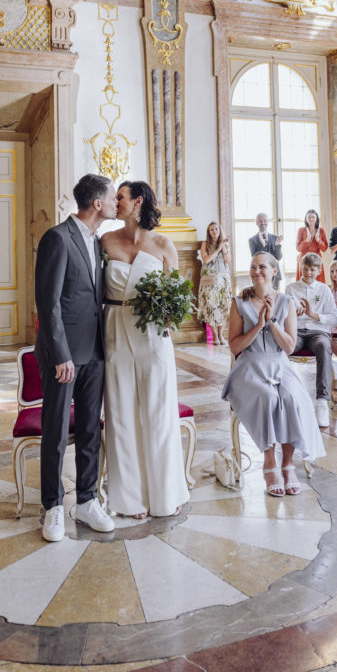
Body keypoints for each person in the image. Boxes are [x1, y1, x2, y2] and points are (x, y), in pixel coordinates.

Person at [35, 174, 118, 542]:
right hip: (64, 356)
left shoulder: (98, 242)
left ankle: (86, 501)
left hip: (96, 351)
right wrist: (61, 355)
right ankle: (52, 506)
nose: (117, 203)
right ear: (97, 203)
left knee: (89, 429)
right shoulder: (57, 237)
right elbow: (48, 304)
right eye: (113, 198)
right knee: (55, 431)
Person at [101, 181, 190, 518]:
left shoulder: (165, 245)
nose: (115, 202)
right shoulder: (105, 241)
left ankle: (166, 492)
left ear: (137, 201)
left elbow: (177, 300)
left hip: (153, 334)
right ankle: (130, 499)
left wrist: (167, 314)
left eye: (120, 197)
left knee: (158, 411)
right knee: (121, 412)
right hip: (115, 328)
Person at [222, 252, 325, 497]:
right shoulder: (238, 303)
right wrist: (258, 325)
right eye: (253, 267)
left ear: (274, 271)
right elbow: (235, 347)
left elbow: (289, 347)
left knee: (291, 398)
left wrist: (272, 323)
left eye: (262, 267)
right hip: (249, 365)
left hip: (280, 364)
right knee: (267, 398)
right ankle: (270, 463)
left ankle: (288, 464)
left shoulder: (286, 302)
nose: (256, 271)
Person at [285, 253, 337, 428]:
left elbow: (334, 319)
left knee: (324, 346)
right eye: (306, 269)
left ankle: (322, 401)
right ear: (301, 268)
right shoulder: (291, 288)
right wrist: (293, 313)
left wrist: (314, 315)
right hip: (297, 331)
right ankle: (285, 394)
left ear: (319, 270)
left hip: (318, 332)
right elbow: (284, 314)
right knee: (284, 347)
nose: (308, 273)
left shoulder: (324, 289)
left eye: (312, 270)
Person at [198, 221, 232, 345]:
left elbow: (227, 261)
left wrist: (223, 248)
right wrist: (218, 249)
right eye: (212, 229)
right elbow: (206, 260)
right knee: (211, 307)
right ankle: (215, 336)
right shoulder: (205, 244)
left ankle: (221, 334)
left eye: (216, 229)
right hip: (210, 278)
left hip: (224, 279)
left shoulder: (225, 244)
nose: (214, 231)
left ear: (220, 230)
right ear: (209, 232)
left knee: (224, 306)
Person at [249, 213, 283, 287]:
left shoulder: (275, 238)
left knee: (274, 297)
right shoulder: (252, 240)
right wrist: (263, 245)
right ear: (256, 223)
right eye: (260, 221)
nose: (263, 223)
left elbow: (279, 257)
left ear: (267, 222)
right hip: (259, 274)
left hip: (274, 274)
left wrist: (277, 245)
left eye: (265, 221)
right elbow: (255, 257)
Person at [296, 209, 328, 282]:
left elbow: (324, 249)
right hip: (304, 259)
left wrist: (318, 240)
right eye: (309, 217)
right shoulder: (301, 230)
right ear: (306, 219)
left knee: (318, 281)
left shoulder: (321, 231)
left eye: (313, 217)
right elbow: (298, 248)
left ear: (316, 219)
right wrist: (306, 241)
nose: (311, 219)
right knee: (304, 281)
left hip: (316, 259)